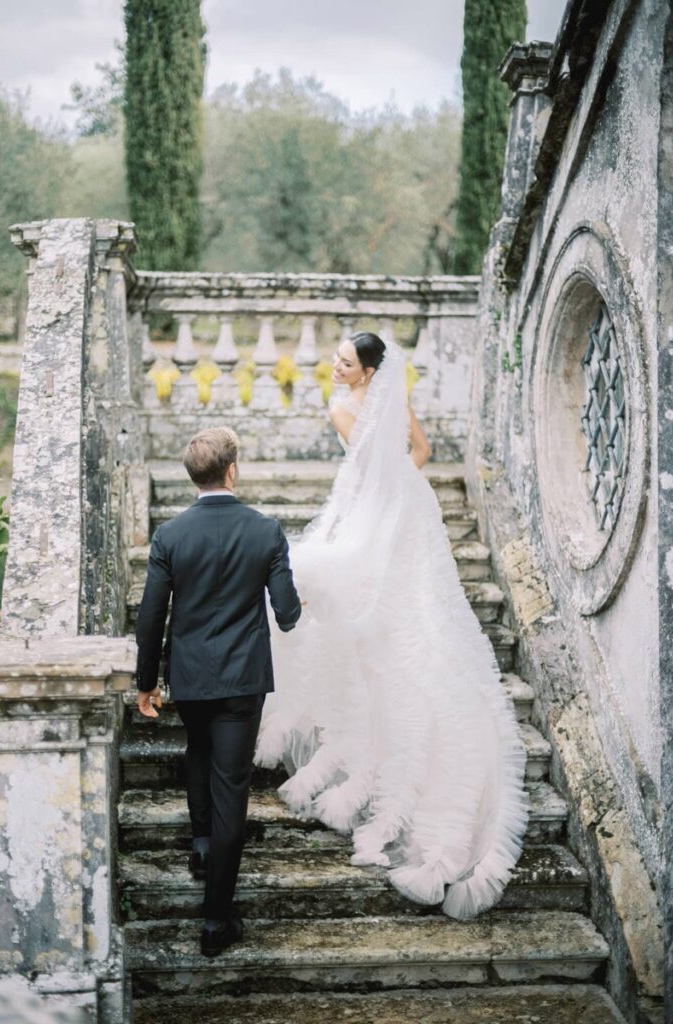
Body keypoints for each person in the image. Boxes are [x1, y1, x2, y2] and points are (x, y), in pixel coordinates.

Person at [256, 333, 528, 920]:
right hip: (414, 511)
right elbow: (420, 455)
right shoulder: (393, 400)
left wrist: (355, 525)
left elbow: (366, 475)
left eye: (345, 363)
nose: (334, 367)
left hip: (386, 514)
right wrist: (403, 496)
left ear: (368, 370)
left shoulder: (342, 409)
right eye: (335, 358)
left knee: (360, 610)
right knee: (418, 619)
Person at [134, 426, 302, 956]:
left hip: (189, 675)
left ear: (194, 477)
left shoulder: (170, 536)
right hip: (242, 679)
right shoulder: (266, 531)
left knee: (198, 749)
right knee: (232, 786)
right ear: (231, 470)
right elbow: (288, 614)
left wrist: (146, 683)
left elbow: (150, 617)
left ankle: (203, 844)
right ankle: (215, 922)